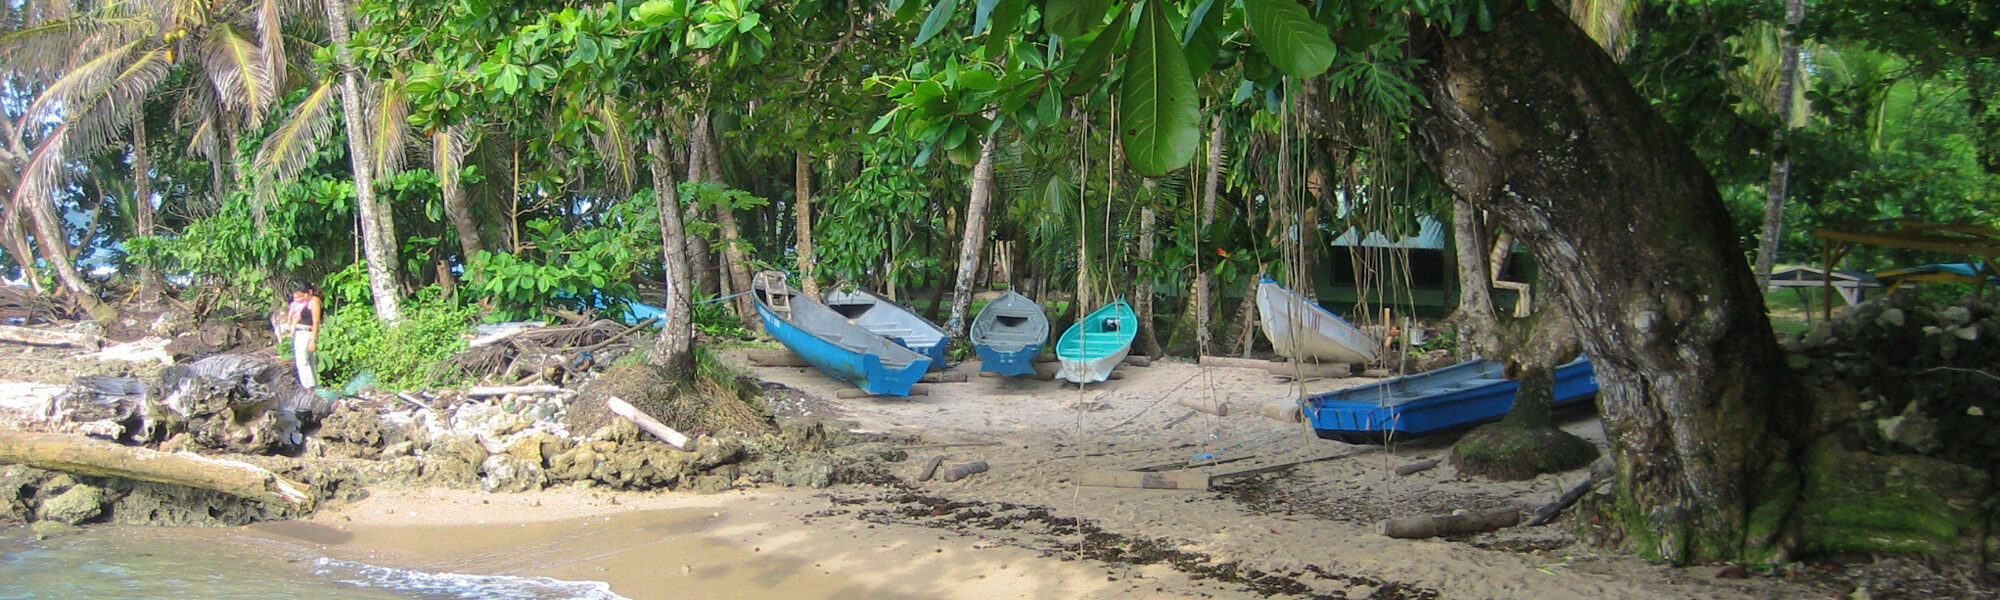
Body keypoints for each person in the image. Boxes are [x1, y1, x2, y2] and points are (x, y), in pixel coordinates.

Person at [286, 282, 324, 389]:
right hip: (302, 332)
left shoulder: (314, 302)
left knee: (303, 362)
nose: (301, 298)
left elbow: (316, 321)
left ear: (309, 292)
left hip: (306, 333)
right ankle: (313, 387)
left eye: (303, 295)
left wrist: (313, 340)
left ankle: (309, 387)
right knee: (307, 361)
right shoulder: (308, 302)